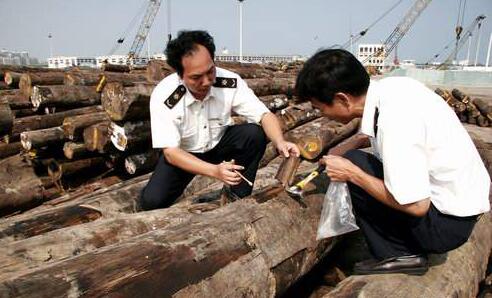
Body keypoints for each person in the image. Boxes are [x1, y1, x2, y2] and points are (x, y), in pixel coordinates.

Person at [295, 49, 490, 275]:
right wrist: (349, 145)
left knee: (355, 166)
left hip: (444, 226)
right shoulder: (392, 89)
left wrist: (352, 174)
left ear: (342, 99)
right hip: (459, 209)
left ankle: (399, 253)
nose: (324, 115)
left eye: (321, 108)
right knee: (353, 158)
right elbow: (372, 130)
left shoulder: (395, 122)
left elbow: (417, 206)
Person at [141, 30, 299, 210]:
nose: (207, 81)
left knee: (253, 134)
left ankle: (236, 197)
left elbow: (264, 115)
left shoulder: (229, 82)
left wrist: (280, 142)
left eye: (210, 71)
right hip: (184, 154)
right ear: (180, 74)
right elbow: (171, 152)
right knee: (153, 202)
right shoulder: (165, 95)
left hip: (218, 144)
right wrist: (214, 171)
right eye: (196, 77)